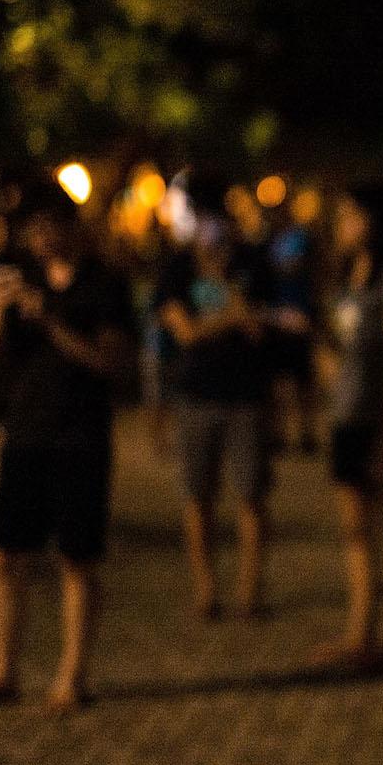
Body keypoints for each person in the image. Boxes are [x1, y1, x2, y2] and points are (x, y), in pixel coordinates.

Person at [0, 183, 134, 715]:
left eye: (43, 227)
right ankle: (3, 669)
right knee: (6, 555)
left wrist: (49, 318)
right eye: (28, 230)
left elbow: (108, 362)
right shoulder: (20, 279)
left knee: (76, 560)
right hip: (25, 433)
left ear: (69, 226)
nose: (35, 239)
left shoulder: (105, 285)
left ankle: (71, 677)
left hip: (81, 436)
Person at [306, 184, 383, 670]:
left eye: (350, 217)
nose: (341, 226)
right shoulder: (346, 278)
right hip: (346, 417)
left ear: (373, 221)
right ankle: (361, 635)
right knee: (355, 529)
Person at [157, 211, 277, 621]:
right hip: (196, 396)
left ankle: (250, 590)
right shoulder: (176, 269)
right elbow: (184, 332)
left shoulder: (252, 264)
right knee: (197, 496)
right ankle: (206, 589)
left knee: (251, 495)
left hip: (247, 397)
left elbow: (260, 329)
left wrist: (223, 282)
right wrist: (233, 318)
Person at [263, 204, 321, 452]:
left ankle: (306, 432)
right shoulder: (267, 241)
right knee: (279, 382)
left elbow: (305, 269)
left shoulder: (300, 238)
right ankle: (279, 433)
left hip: (300, 317)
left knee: (303, 381)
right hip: (276, 320)